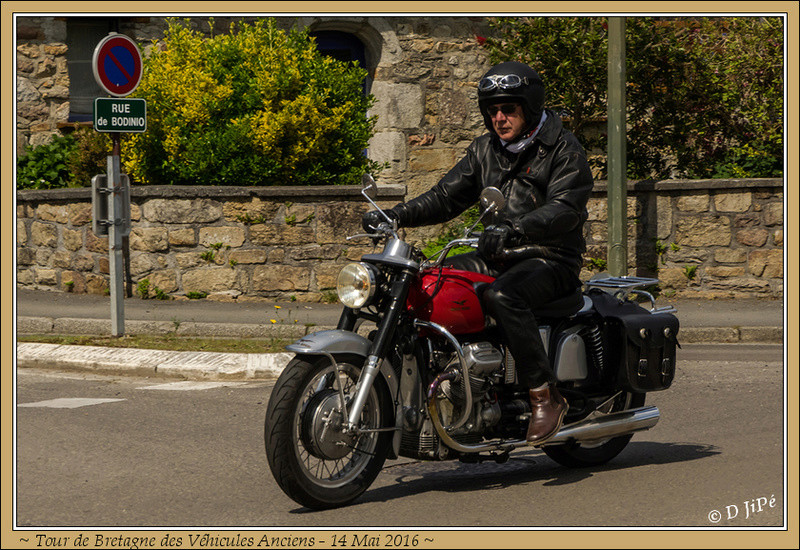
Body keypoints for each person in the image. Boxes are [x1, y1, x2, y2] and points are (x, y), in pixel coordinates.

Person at [362, 61, 594, 445]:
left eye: (509, 109)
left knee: (504, 294)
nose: (499, 118)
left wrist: (516, 228)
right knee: (429, 285)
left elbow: (566, 208)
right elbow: (445, 197)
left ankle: (544, 395)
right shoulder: (486, 149)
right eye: (492, 111)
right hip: (497, 253)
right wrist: (395, 215)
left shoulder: (563, 148)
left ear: (530, 108)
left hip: (549, 257)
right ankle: (441, 386)